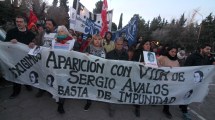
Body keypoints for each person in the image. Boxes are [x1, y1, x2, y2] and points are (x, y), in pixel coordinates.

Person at [5, 15, 35, 99]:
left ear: (25, 23)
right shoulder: (11, 32)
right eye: (17, 21)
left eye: (20, 22)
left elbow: (34, 44)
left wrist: (32, 44)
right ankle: (16, 91)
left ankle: (27, 85)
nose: (18, 23)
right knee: (16, 73)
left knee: (27, 71)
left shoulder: (31, 34)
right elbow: (5, 43)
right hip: (14, 58)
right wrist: (10, 41)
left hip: (26, 58)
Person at [180, 43, 212, 120]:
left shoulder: (206, 58)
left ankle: (182, 105)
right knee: (187, 96)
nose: (209, 51)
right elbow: (186, 68)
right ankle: (184, 112)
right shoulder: (192, 57)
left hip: (198, 82)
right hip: (189, 81)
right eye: (207, 49)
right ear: (201, 49)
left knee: (189, 96)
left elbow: (207, 69)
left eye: (210, 49)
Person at [34, 19, 58, 98]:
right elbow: (36, 40)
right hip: (42, 57)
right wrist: (32, 43)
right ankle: (41, 89)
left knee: (51, 74)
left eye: (49, 24)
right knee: (42, 73)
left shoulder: (58, 33)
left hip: (52, 58)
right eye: (46, 24)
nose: (47, 25)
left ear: (53, 26)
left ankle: (51, 89)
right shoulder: (43, 33)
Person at [106, 37, 128, 117]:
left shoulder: (126, 55)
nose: (119, 46)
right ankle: (112, 109)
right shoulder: (109, 54)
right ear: (115, 44)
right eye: (118, 44)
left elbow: (128, 66)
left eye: (121, 44)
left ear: (123, 45)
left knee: (116, 92)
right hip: (111, 77)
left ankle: (113, 105)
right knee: (112, 92)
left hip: (120, 78)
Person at [83, 34, 106, 111]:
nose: (97, 41)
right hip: (90, 71)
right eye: (95, 39)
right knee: (89, 86)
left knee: (96, 85)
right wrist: (85, 55)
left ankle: (95, 96)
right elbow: (82, 57)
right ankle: (88, 102)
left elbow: (106, 61)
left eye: (99, 39)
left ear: (101, 41)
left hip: (99, 71)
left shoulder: (104, 49)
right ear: (93, 40)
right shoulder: (89, 47)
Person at [157, 45, 179, 119]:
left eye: (175, 52)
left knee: (168, 95)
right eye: (172, 51)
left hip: (170, 82)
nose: (173, 53)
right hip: (160, 80)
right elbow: (155, 62)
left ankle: (166, 109)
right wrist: (163, 67)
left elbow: (179, 70)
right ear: (168, 51)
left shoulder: (176, 61)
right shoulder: (163, 57)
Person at [132, 39, 152, 117]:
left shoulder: (151, 54)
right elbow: (133, 62)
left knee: (142, 91)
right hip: (138, 74)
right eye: (146, 44)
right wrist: (140, 63)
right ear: (143, 45)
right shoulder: (138, 52)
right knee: (137, 90)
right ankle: (137, 106)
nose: (148, 46)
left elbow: (153, 64)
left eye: (149, 44)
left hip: (146, 76)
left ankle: (138, 106)